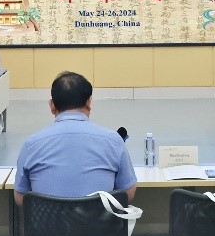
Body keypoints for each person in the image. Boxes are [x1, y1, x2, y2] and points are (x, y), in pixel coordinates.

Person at [14, 71, 137, 205]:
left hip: (47, 220)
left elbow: (20, 197)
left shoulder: (31, 145)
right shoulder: (113, 141)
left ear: (52, 105)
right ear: (89, 103)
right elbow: (128, 192)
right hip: (97, 219)